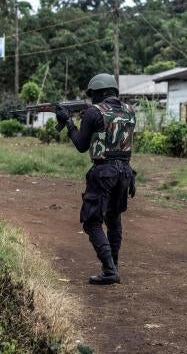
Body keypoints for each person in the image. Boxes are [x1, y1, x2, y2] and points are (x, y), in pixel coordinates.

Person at [56, 73, 136, 285]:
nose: (91, 100)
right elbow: (120, 143)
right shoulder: (130, 111)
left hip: (104, 172)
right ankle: (113, 265)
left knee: (92, 222)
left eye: (93, 95)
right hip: (126, 172)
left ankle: (109, 271)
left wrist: (68, 123)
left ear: (99, 93)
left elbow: (82, 145)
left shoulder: (94, 112)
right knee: (114, 220)